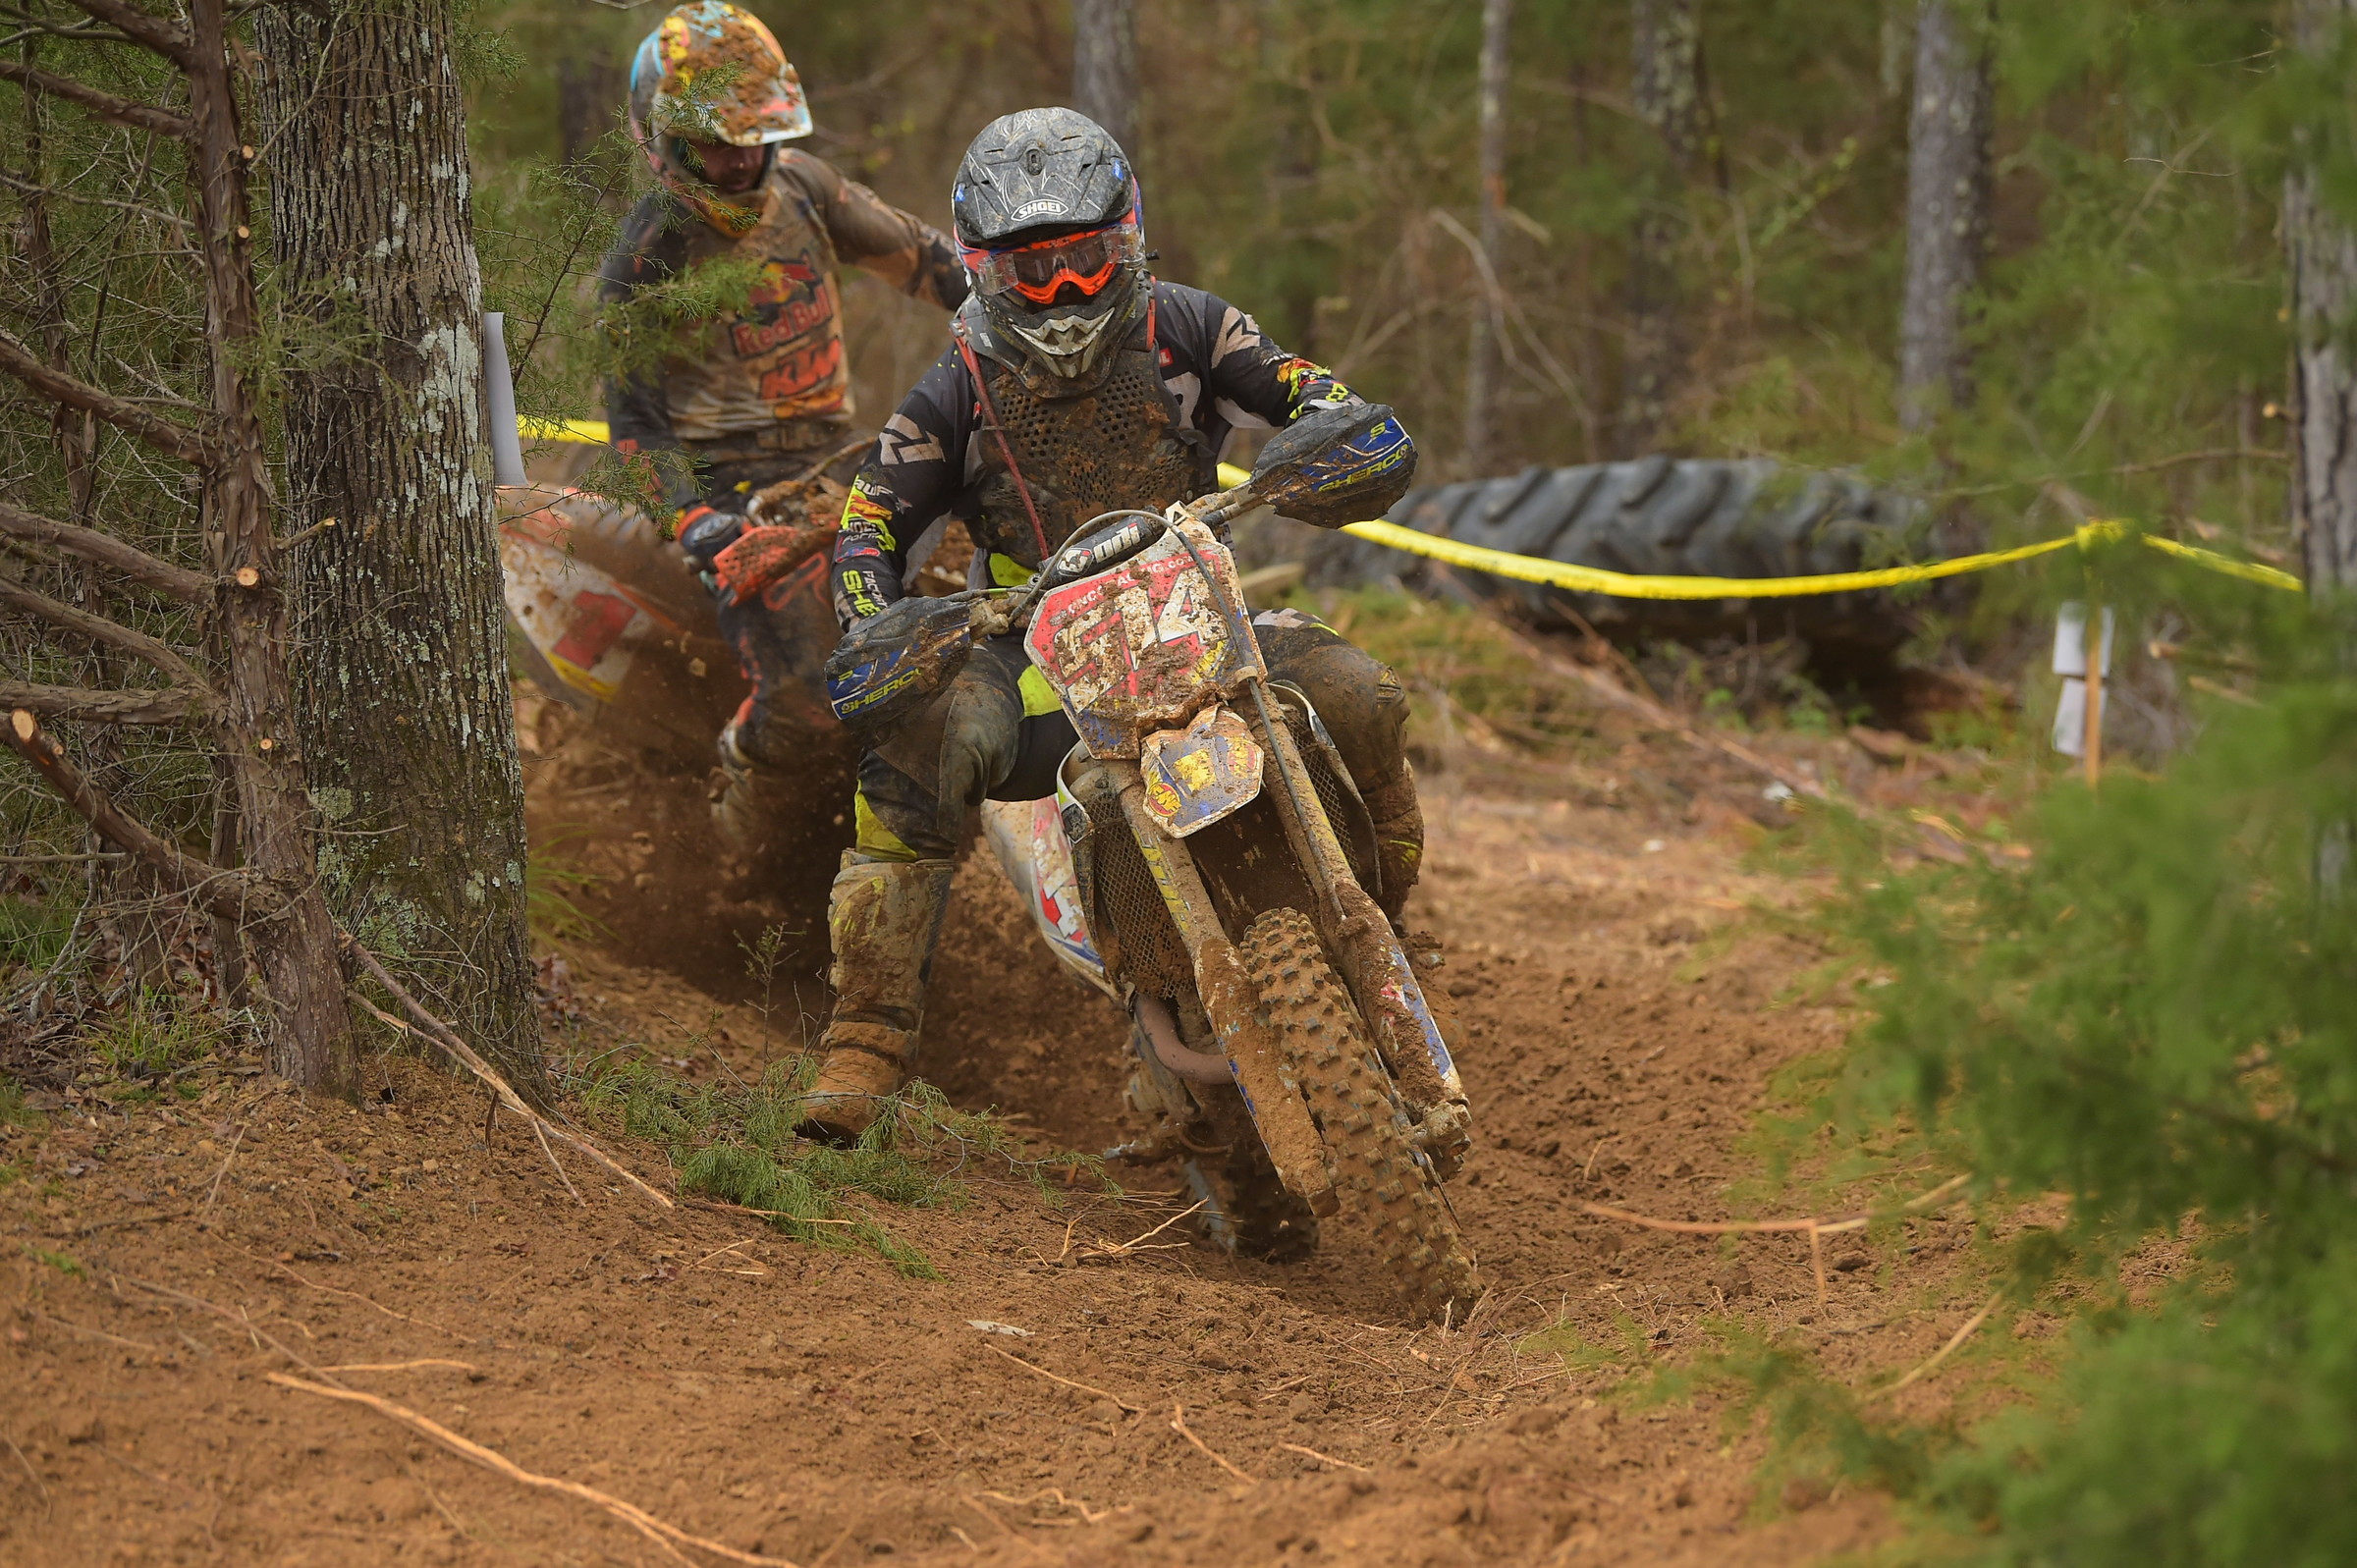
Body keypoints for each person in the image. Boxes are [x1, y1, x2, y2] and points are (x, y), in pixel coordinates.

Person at [801, 107, 1428, 1140]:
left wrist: (1338, 440)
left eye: (1083, 258)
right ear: (980, 268)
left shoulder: (1189, 328)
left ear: (1127, 236)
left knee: (1359, 695)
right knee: (916, 747)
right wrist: (875, 621)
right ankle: (867, 1037)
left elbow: (1313, 393)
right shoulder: (954, 388)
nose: (1061, 290)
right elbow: (871, 524)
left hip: (1200, 621)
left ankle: (1383, 921)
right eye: (1029, 269)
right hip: (1038, 659)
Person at [597, 0, 967, 852]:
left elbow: (920, 258)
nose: (737, 162)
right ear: (668, 139)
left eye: (750, 137)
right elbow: (634, 424)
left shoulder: (802, 185)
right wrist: (698, 522)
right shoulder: (647, 253)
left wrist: (1008, 308)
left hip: (833, 459)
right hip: (730, 484)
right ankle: (743, 807)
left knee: (967, 600)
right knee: (808, 695)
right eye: (715, 143)